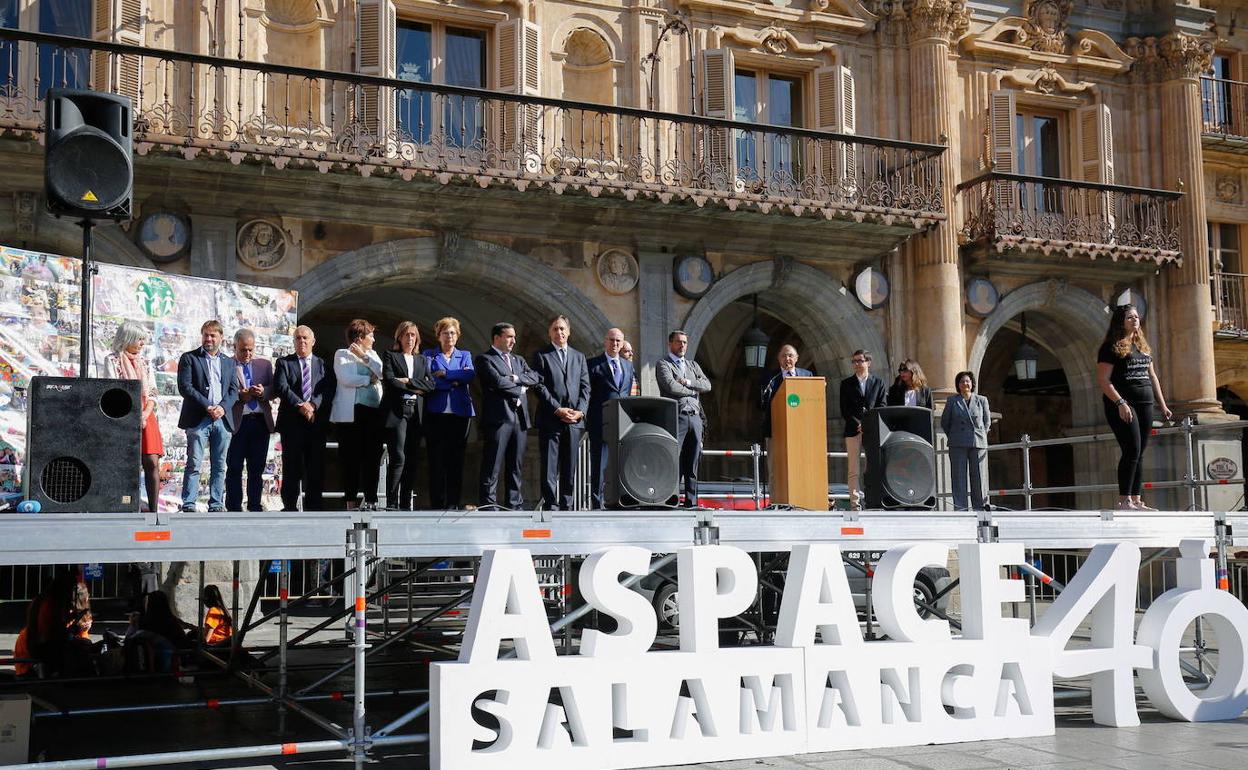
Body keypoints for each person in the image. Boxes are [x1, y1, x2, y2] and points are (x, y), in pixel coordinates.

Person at [1097, 304, 1173, 510]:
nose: (1135, 320)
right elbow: (1103, 380)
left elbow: (1152, 376)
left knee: (1140, 452)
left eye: (1136, 317)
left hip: (1145, 403)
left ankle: (1137, 500)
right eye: (1130, 317)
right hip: (1123, 404)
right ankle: (1124, 500)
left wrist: (1163, 404)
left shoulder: (1142, 345)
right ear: (1120, 322)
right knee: (1131, 449)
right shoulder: (1110, 347)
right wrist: (1120, 402)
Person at [177, 320, 240, 512]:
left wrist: (221, 408)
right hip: (199, 419)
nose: (209, 338)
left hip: (222, 419)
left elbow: (234, 390)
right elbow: (185, 387)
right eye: (206, 334)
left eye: (213, 335)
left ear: (221, 338)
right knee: (194, 462)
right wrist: (208, 406)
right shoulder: (189, 358)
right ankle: (189, 503)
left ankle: (216, 503)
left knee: (220, 465)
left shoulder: (229, 362)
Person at [476, 322, 541, 508]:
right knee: (493, 464)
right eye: (509, 336)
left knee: (516, 465)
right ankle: (489, 504)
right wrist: (521, 387)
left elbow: (536, 378)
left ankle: (514, 504)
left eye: (514, 336)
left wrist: (517, 379)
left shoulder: (518, 360)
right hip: (499, 419)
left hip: (520, 419)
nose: (513, 340)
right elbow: (497, 382)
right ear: (497, 338)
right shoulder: (485, 359)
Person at [102, 321, 163, 512]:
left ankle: (154, 510)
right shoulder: (112, 360)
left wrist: (144, 414)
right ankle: (127, 506)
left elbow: (152, 392)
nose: (141, 344)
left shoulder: (145, 363)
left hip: (146, 414)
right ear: (127, 338)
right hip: (123, 414)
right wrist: (131, 415)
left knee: (151, 461)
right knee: (127, 462)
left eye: (143, 339)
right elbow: (112, 390)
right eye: (138, 339)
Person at [531, 315, 590, 510]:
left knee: (569, 464)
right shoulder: (541, 356)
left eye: (563, 329)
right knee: (549, 464)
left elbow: (585, 387)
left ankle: (567, 503)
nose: (560, 332)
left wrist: (580, 411)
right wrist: (557, 409)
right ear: (549, 332)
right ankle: (551, 503)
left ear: (569, 331)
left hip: (574, 420)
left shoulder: (579, 357)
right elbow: (539, 386)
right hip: (551, 418)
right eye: (555, 329)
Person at [273, 326, 335, 511]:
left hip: (316, 423)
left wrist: (313, 405)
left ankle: (314, 507)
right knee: (291, 467)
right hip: (292, 424)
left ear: (313, 341)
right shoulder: (284, 363)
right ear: (294, 342)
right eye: (298, 338)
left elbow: (328, 390)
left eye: (305, 338)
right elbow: (281, 387)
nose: (302, 341)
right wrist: (301, 405)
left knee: (315, 467)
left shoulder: (323, 365)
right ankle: (290, 506)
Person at [331, 319, 385, 511]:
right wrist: (367, 379)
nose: (373, 339)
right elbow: (346, 378)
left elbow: (382, 372)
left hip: (373, 411)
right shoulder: (342, 354)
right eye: (370, 335)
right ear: (360, 337)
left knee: (372, 457)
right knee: (350, 458)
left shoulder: (373, 354)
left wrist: (364, 357)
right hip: (351, 414)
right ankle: (350, 501)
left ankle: (371, 499)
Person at [423, 317, 476, 509]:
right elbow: (429, 380)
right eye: (445, 333)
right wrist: (455, 379)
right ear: (438, 336)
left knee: (456, 460)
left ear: (458, 335)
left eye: (453, 332)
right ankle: (437, 503)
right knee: (436, 460)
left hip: (460, 414)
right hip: (436, 413)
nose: (449, 336)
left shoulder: (465, 355)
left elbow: (469, 375)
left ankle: (453, 502)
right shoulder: (429, 355)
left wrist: (446, 374)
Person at [655, 330, 711, 507]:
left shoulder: (693, 365)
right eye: (679, 342)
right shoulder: (663, 364)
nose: (682, 346)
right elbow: (670, 386)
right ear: (670, 344)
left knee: (693, 460)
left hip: (694, 417)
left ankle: (691, 500)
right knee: (673, 458)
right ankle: (670, 499)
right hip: (676, 416)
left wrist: (687, 383)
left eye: (685, 343)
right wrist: (695, 390)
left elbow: (707, 385)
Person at [382, 321, 433, 510]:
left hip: (416, 412)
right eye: (406, 335)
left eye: (413, 335)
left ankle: (405, 503)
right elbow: (390, 381)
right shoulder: (391, 356)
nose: (410, 338)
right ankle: (392, 502)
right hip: (397, 411)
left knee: (412, 458)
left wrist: (409, 381)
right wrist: (417, 387)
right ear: (399, 338)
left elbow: (431, 385)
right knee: (398, 457)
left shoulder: (422, 360)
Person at [226, 329, 275, 512]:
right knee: (234, 466)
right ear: (235, 347)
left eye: (250, 350)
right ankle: (233, 506)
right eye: (243, 350)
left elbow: (274, 388)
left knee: (256, 468)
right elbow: (224, 392)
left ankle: (255, 505)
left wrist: (264, 392)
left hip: (260, 421)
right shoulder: (227, 365)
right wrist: (242, 396)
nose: (247, 354)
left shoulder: (264, 365)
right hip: (237, 422)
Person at [586, 327, 635, 508]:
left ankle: (620, 501)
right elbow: (587, 393)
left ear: (622, 343)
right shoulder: (592, 364)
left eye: (618, 341)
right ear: (605, 341)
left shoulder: (628, 366)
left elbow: (627, 393)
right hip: (599, 422)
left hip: (622, 423)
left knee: (621, 465)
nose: (615, 344)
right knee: (599, 464)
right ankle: (597, 503)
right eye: (612, 340)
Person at [839, 349, 886, 510]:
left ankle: (873, 501)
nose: (857, 364)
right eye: (854, 361)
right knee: (853, 469)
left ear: (868, 362)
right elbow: (844, 410)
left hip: (872, 431)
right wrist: (858, 424)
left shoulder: (878, 382)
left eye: (860, 361)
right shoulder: (846, 383)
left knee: (873, 467)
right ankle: (855, 503)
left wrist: (868, 423)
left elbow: (882, 406)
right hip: (853, 431)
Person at [940, 370, 993, 511]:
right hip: (958, 442)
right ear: (958, 385)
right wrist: (954, 435)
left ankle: (980, 507)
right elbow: (945, 422)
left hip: (977, 442)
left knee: (979, 477)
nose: (965, 384)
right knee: (958, 477)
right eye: (962, 381)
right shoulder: (952, 401)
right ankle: (960, 508)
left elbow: (987, 422)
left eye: (967, 381)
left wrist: (980, 434)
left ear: (972, 383)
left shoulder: (982, 400)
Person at [758, 344, 813, 439]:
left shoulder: (807, 375)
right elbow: (763, 402)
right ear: (779, 359)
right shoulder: (770, 377)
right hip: (776, 426)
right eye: (783, 356)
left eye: (790, 356)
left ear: (796, 358)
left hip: (802, 425)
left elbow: (812, 398)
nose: (787, 359)